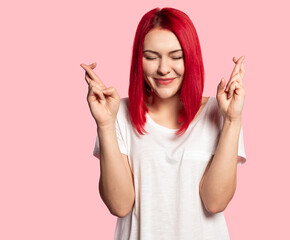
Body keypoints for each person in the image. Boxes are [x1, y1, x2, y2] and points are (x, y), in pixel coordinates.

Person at [81, 7, 247, 240]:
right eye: (151, 57)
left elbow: (215, 202)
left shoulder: (221, 112)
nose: (163, 68)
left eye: (176, 56)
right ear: (139, 60)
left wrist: (231, 120)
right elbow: (119, 205)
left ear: (191, 57)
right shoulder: (117, 114)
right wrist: (105, 124)